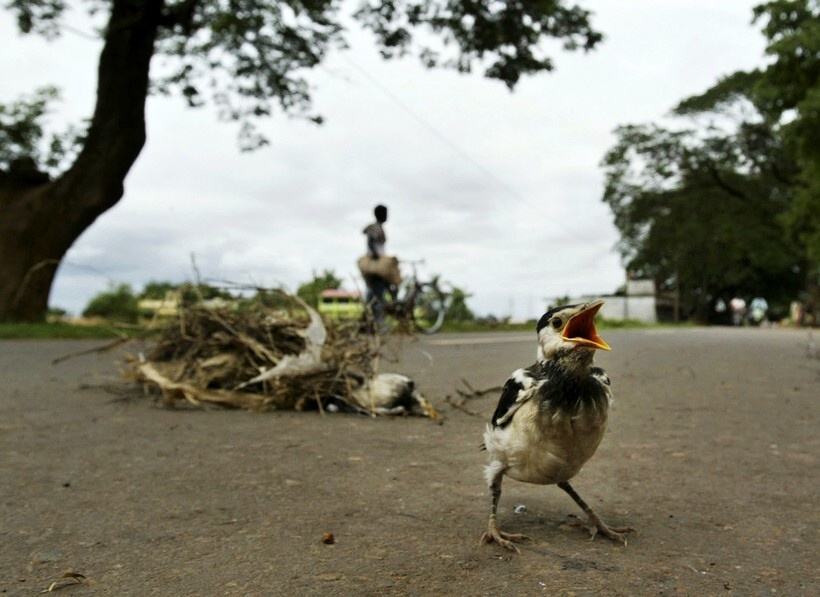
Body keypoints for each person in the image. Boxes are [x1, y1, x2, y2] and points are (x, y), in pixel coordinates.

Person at [362, 205, 391, 328]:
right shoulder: (375, 228)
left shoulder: (379, 228)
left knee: (372, 293)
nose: (387, 216)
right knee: (378, 293)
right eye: (385, 213)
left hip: (377, 262)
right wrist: (377, 257)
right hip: (375, 265)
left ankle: (367, 322)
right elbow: (371, 243)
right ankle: (377, 323)